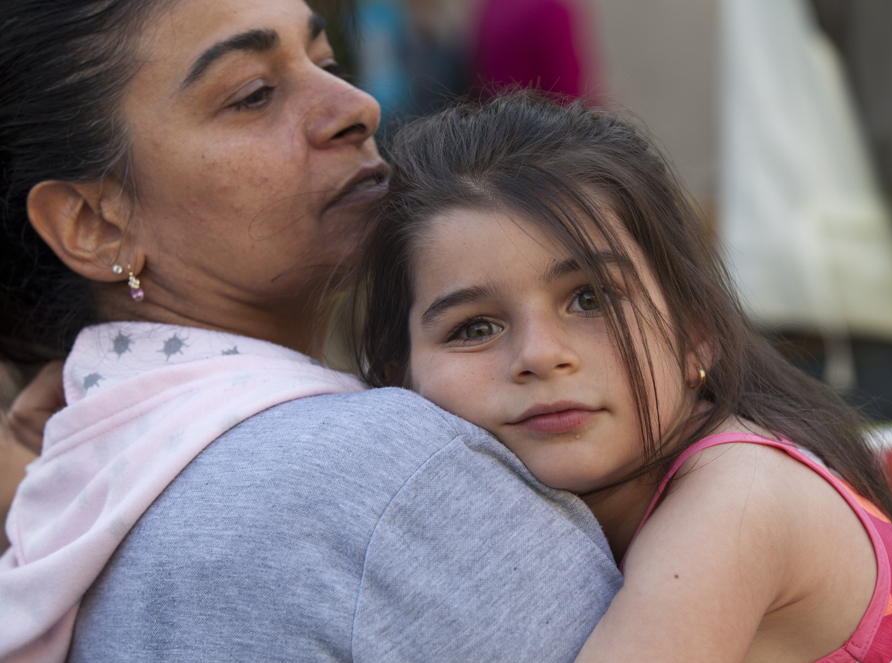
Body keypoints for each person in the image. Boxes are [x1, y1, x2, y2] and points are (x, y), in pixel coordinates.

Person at [0, 1, 621, 661]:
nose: (358, 106)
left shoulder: (67, 503)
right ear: (95, 225)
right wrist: (733, 484)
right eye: (253, 95)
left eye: (325, 62)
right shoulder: (376, 471)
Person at [353, 93, 892, 660]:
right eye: (474, 327)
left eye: (591, 299)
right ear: (397, 383)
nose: (541, 355)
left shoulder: (739, 502)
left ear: (696, 332)